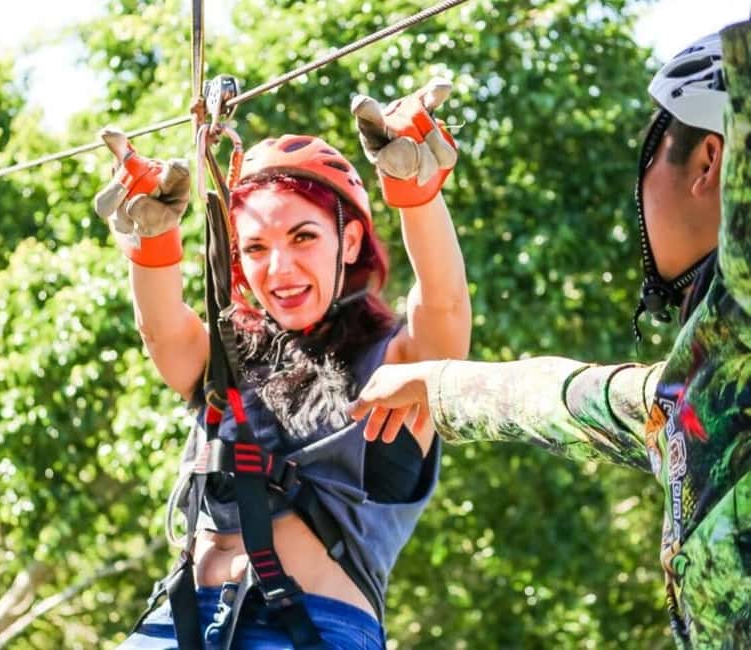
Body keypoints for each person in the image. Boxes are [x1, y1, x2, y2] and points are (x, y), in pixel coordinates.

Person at [349, 26, 751, 649]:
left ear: (709, 161)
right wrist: (439, 383)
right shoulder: (694, 395)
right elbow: (570, 398)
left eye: (647, 156)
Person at [94, 79, 471, 648]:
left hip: (312, 629)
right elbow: (162, 327)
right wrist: (152, 237)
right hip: (178, 625)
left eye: (302, 238)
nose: (281, 268)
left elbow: (443, 304)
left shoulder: (397, 364)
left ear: (347, 243)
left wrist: (414, 190)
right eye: (256, 249)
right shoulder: (227, 361)